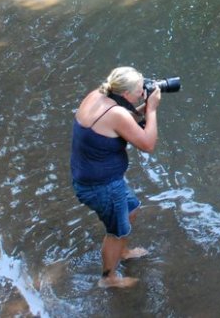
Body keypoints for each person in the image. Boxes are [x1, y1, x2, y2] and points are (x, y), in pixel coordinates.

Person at [71, 66, 161, 288]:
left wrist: (142, 107)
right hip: (101, 186)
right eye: (139, 91)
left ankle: (123, 252)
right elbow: (148, 144)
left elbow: (123, 121)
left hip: (93, 177)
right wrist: (152, 110)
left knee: (131, 210)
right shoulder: (116, 114)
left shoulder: (98, 96)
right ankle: (108, 279)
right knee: (116, 232)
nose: (143, 94)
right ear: (124, 95)